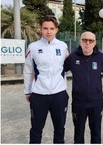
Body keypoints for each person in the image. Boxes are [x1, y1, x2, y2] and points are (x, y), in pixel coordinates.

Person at [24, 15, 69, 144]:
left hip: (59, 94)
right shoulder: (33, 47)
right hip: (39, 95)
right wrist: (27, 91)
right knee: (36, 130)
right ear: (41, 29)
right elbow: (28, 70)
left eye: (51, 28)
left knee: (60, 129)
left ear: (56, 30)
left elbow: (69, 64)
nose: (48, 31)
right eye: (45, 28)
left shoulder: (63, 46)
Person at [64, 32, 103, 144]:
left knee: (96, 134)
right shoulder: (72, 57)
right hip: (78, 103)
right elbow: (58, 71)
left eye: (90, 40)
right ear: (80, 41)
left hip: (96, 103)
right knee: (78, 134)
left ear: (95, 43)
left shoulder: (101, 58)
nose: (87, 43)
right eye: (84, 40)